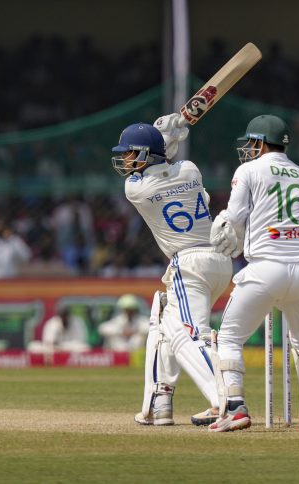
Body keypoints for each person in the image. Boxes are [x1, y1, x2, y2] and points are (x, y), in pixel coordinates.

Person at [207, 114, 299, 432]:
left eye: (251, 143)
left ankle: (235, 408)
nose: (248, 149)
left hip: (264, 268)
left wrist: (223, 228)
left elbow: (234, 217)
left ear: (262, 143)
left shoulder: (249, 169)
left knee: (231, 338)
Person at [111, 117, 233, 426]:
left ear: (145, 155)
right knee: (162, 320)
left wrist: (165, 139)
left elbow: (157, 169)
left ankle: (226, 401)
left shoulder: (136, 189)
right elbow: (173, 169)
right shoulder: (191, 169)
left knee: (191, 335)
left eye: (130, 154)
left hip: (189, 263)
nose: (125, 161)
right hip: (220, 260)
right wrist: (165, 144)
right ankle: (159, 401)